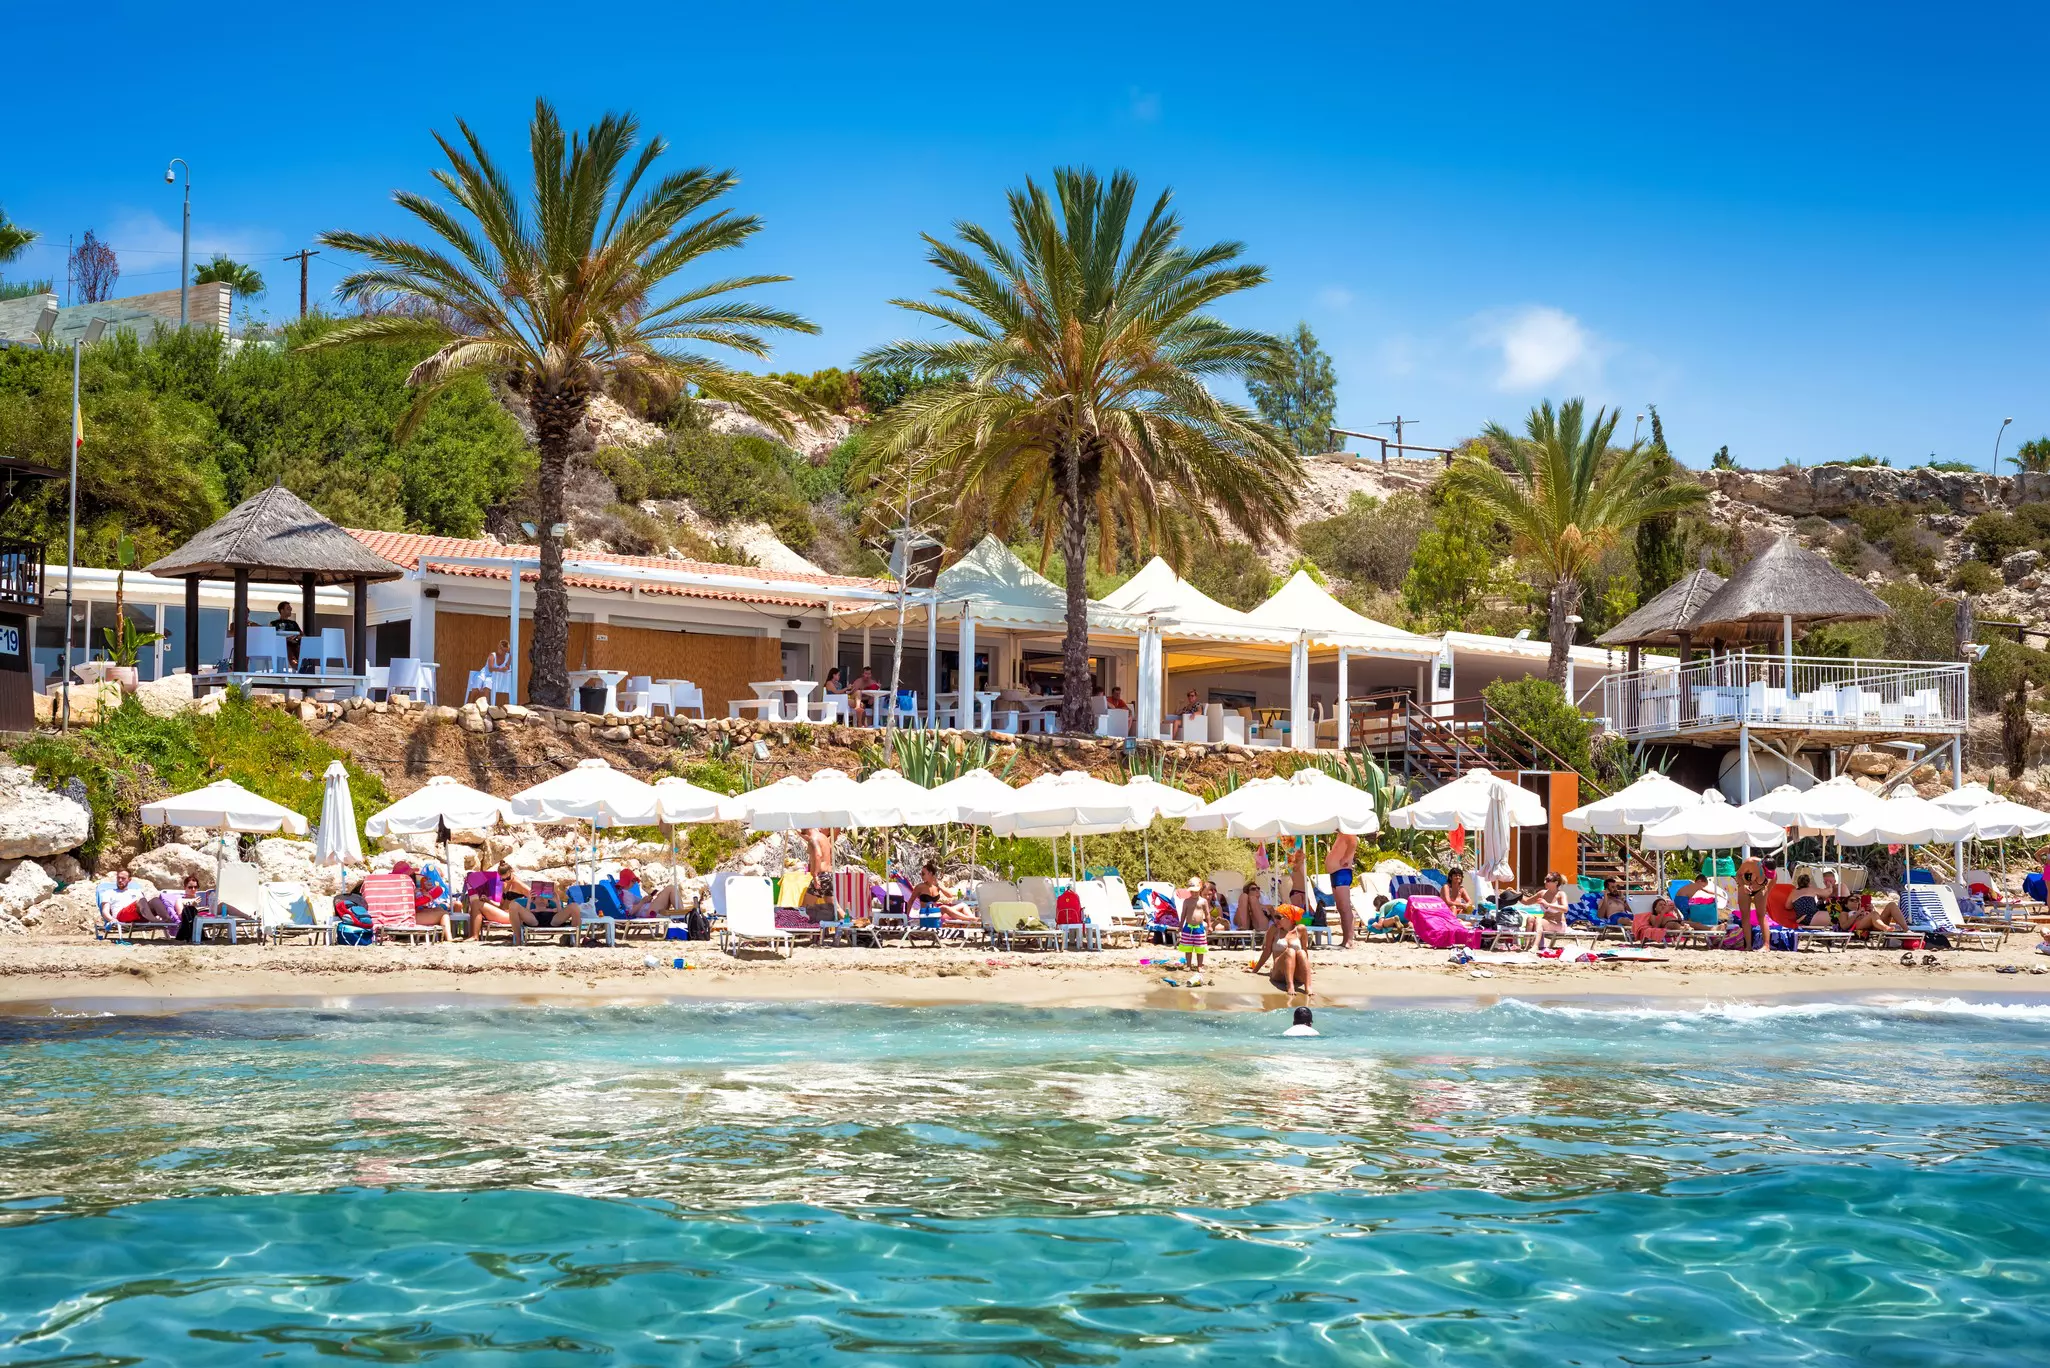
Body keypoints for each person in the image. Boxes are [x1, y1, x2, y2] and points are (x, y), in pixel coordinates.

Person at [1326, 830, 1359, 947]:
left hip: (1342, 872)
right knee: (1340, 907)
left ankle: (1349, 940)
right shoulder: (1342, 833)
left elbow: (1353, 842)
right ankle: (1346, 939)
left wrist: (1346, 857)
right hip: (1336, 872)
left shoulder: (1348, 831)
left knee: (1344, 907)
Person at [1531, 872, 1571, 952]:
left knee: (1539, 921)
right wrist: (1515, 895)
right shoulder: (1542, 893)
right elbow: (1526, 901)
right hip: (1546, 922)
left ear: (1556, 883)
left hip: (1558, 924)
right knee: (1530, 919)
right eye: (1545, 879)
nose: (1545, 882)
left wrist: (1548, 904)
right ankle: (1528, 945)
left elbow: (1565, 909)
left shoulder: (1560, 894)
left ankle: (1535, 946)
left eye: (1548, 880)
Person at [1179, 886, 1208, 972]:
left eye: (1196, 891)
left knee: (1200, 948)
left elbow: (1207, 914)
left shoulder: (1203, 901)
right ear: (1190, 891)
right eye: (1192, 892)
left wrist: (1209, 925)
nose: (1194, 893)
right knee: (1188, 948)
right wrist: (1180, 925)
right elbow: (1183, 914)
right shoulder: (1187, 901)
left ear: (1200, 891)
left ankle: (1200, 966)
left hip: (1199, 927)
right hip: (1188, 927)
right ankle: (1188, 965)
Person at [271, 601, 304, 668]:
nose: (291, 610)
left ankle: (301, 666)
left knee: (299, 649)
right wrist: (285, 639)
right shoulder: (274, 623)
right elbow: (270, 637)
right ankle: (297, 666)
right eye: (288, 608)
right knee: (288, 649)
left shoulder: (293, 623)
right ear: (282, 610)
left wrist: (296, 638)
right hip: (281, 645)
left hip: (294, 643)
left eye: (290, 608)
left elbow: (302, 635)